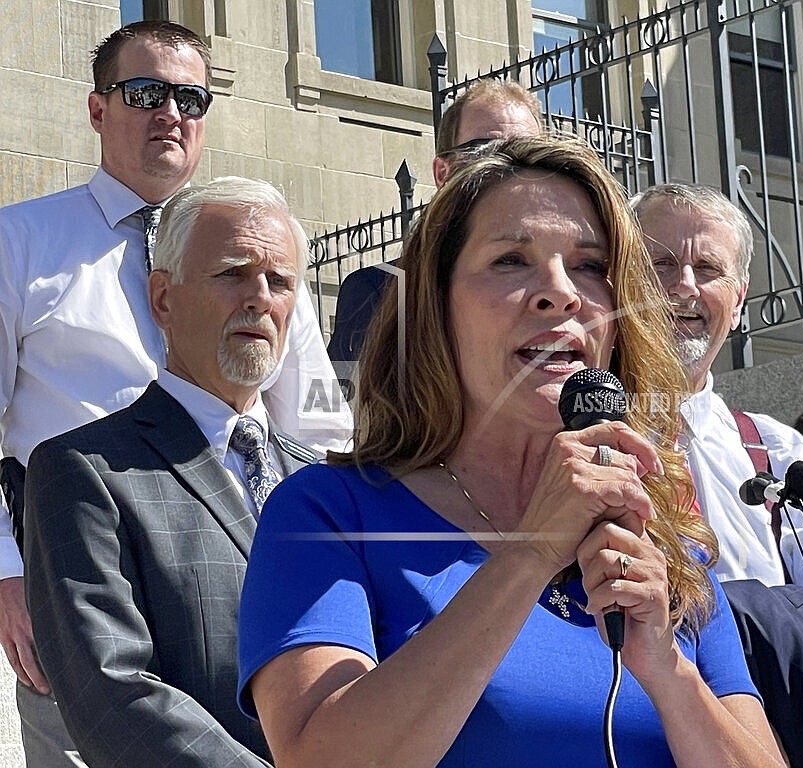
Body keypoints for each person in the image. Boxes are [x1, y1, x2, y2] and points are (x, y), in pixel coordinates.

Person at [237, 136, 785, 767]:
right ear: (436, 308)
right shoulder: (330, 514)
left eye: (589, 265)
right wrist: (529, 554)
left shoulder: (665, 547)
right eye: (510, 261)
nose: (561, 293)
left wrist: (667, 669)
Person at [0, 20, 350, 765]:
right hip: (79, 580)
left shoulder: (256, 250)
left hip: (242, 571)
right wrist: (6, 573)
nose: (172, 113)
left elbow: (316, 425)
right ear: (98, 109)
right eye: (146, 91)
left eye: (190, 97)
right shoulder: (18, 242)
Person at [21, 176, 321, 766]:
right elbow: (111, 692)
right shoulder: (82, 473)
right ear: (163, 299)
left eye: (280, 281)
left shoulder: (320, 484)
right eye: (233, 272)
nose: (260, 296)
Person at [630, 183, 803, 646]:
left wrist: (746, 620)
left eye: (707, 269)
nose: (684, 286)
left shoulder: (786, 459)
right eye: (660, 263)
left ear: (738, 302)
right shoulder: (568, 437)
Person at [326, 78, 543, 363]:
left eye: (529, 155)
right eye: (486, 152)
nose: (509, 170)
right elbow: (331, 403)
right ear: (443, 173)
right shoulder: (379, 292)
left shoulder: (570, 292)